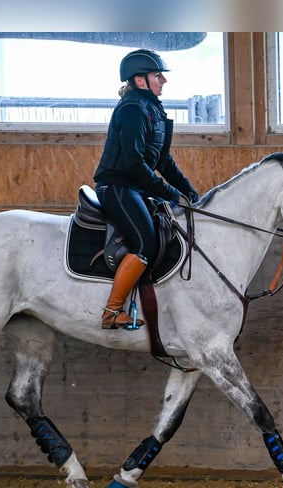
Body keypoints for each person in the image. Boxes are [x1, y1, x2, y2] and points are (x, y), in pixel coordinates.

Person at [94, 48, 200, 330]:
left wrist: (189, 192)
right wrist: (169, 193)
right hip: (118, 187)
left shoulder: (152, 109)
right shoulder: (132, 110)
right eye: (157, 76)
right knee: (145, 243)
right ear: (140, 81)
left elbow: (163, 161)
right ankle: (112, 311)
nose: (163, 81)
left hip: (135, 189)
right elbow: (133, 164)